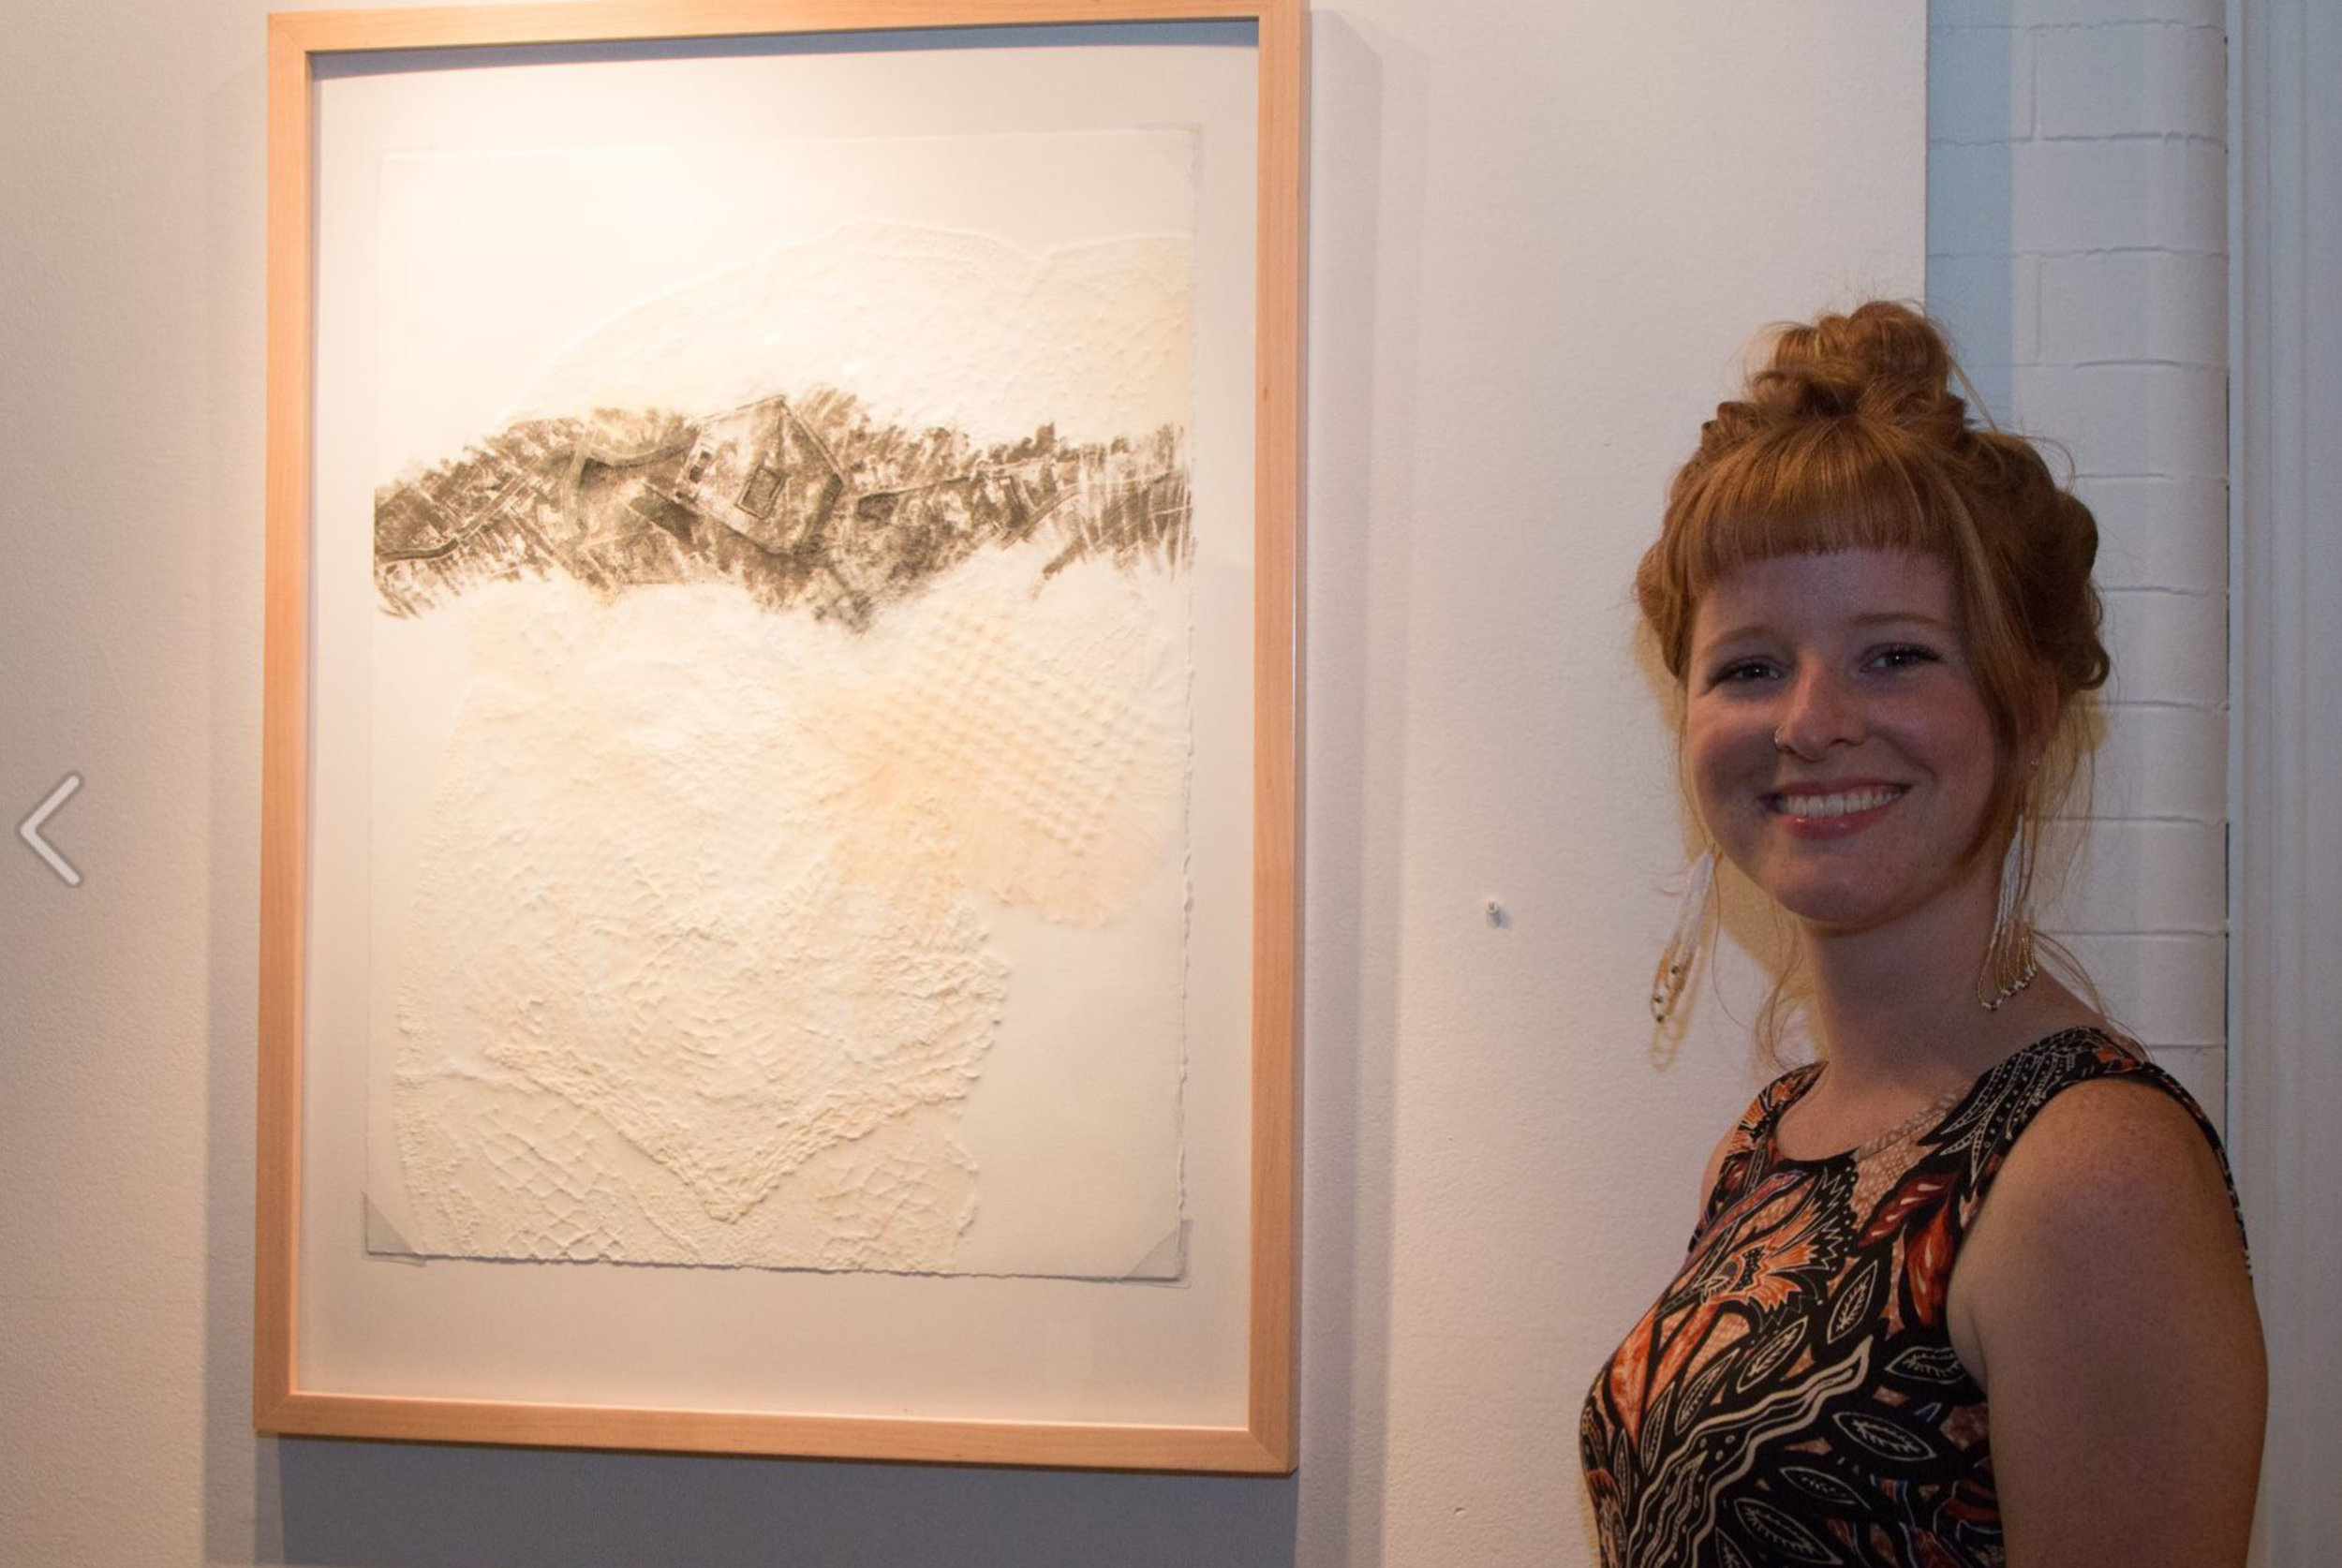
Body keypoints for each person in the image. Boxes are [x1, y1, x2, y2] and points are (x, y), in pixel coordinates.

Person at [1579, 302, 2265, 1568]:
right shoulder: (1773, 1138)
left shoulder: (2089, 1174)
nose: (1811, 720)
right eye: (1748, 668)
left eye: (1894, 655)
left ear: (2027, 706)